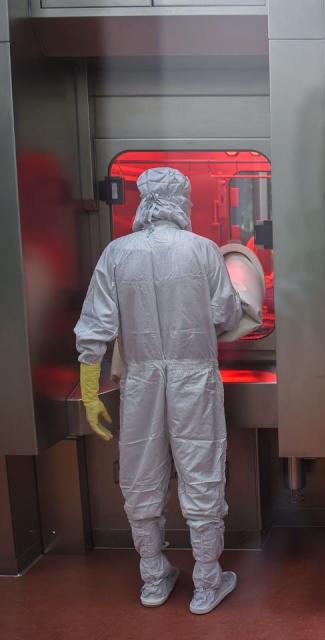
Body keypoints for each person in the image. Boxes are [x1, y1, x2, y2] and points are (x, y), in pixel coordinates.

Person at [74, 167, 242, 614]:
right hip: (194, 380)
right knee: (201, 470)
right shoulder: (204, 250)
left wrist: (91, 395)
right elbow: (226, 312)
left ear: (143, 201)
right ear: (183, 201)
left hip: (142, 381)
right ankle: (207, 581)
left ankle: (154, 577)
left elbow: (94, 329)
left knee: (141, 474)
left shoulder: (117, 253)